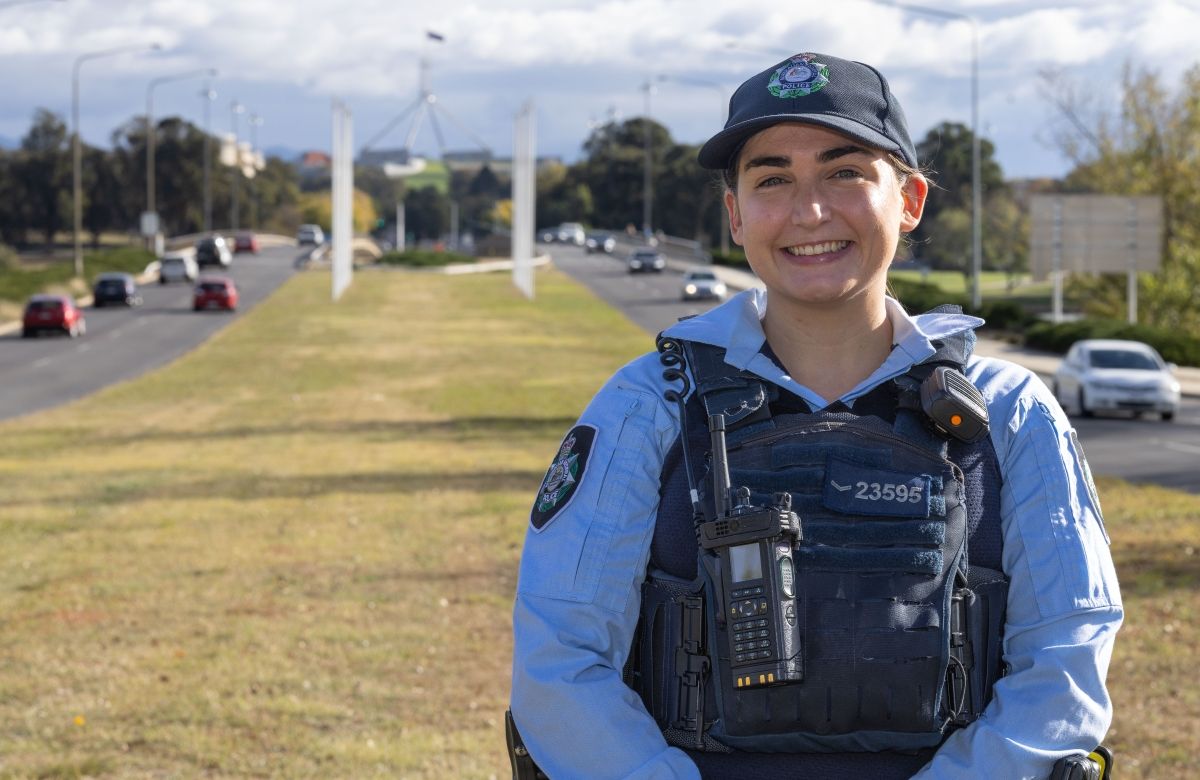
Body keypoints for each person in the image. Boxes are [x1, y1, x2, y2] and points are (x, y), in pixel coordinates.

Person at [510, 51, 1121, 779]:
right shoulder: (648, 407)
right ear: (735, 214)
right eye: (773, 179)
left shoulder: (1012, 415)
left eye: (845, 172)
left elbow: (1066, 660)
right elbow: (560, 658)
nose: (810, 211)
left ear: (910, 199)